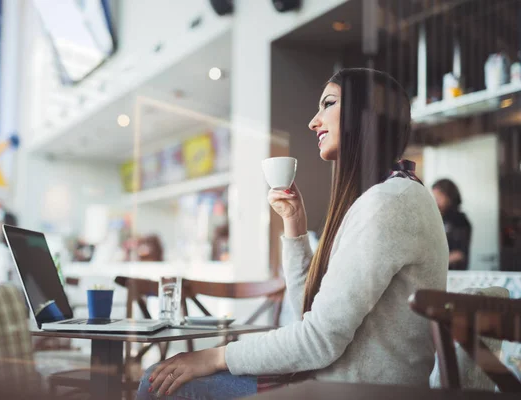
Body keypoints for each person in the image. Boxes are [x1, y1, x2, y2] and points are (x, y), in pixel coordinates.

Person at [136, 68, 449, 399]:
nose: (313, 122)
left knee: (155, 383)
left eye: (328, 103)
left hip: (356, 392)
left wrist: (214, 356)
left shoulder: (388, 203)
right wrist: (295, 222)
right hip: (336, 382)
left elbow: (317, 341)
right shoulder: (386, 197)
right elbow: (311, 315)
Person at [432, 179, 472, 270]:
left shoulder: (460, 220)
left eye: (438, 198)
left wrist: (434, 263)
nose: (435, 202)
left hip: (454, 273)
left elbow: (459, 254)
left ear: (448, 197)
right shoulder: (438, 218)